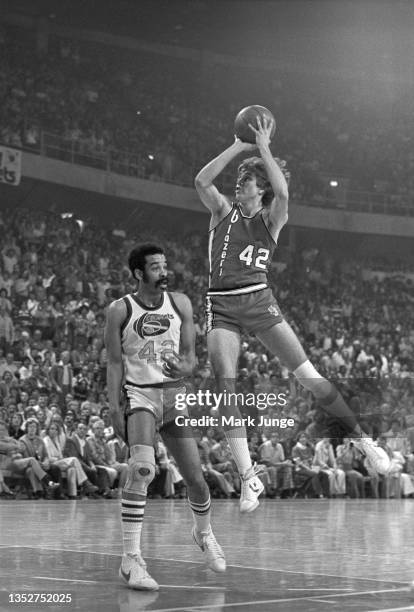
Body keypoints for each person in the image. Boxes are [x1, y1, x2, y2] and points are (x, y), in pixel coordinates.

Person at [194, 115, 390, 513]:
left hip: (259, 302)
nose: (239, 183)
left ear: (260, 188)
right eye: (240, 179)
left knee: (310, 377)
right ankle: (249, 478)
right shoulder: (221, 212)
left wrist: (264, 147)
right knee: (224, 386)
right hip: (221, 306)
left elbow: (283, 194)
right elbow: (200, 181)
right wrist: (238, 145)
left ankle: (363, 440)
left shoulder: (272, 218)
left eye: (247, 180)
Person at [105, 243, 225, 591]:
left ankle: (203, 534)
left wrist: (184, 366)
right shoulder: (120, 309)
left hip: (174, 397)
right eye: (155, 267)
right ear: (139, 274)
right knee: (142, 469)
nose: (164, 272)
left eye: (165, 266)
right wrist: (115, 408)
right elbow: (114, 363)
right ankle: (131, 560)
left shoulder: (182, 303)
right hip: (139, 395)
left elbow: (190, 359)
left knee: (197, 481)